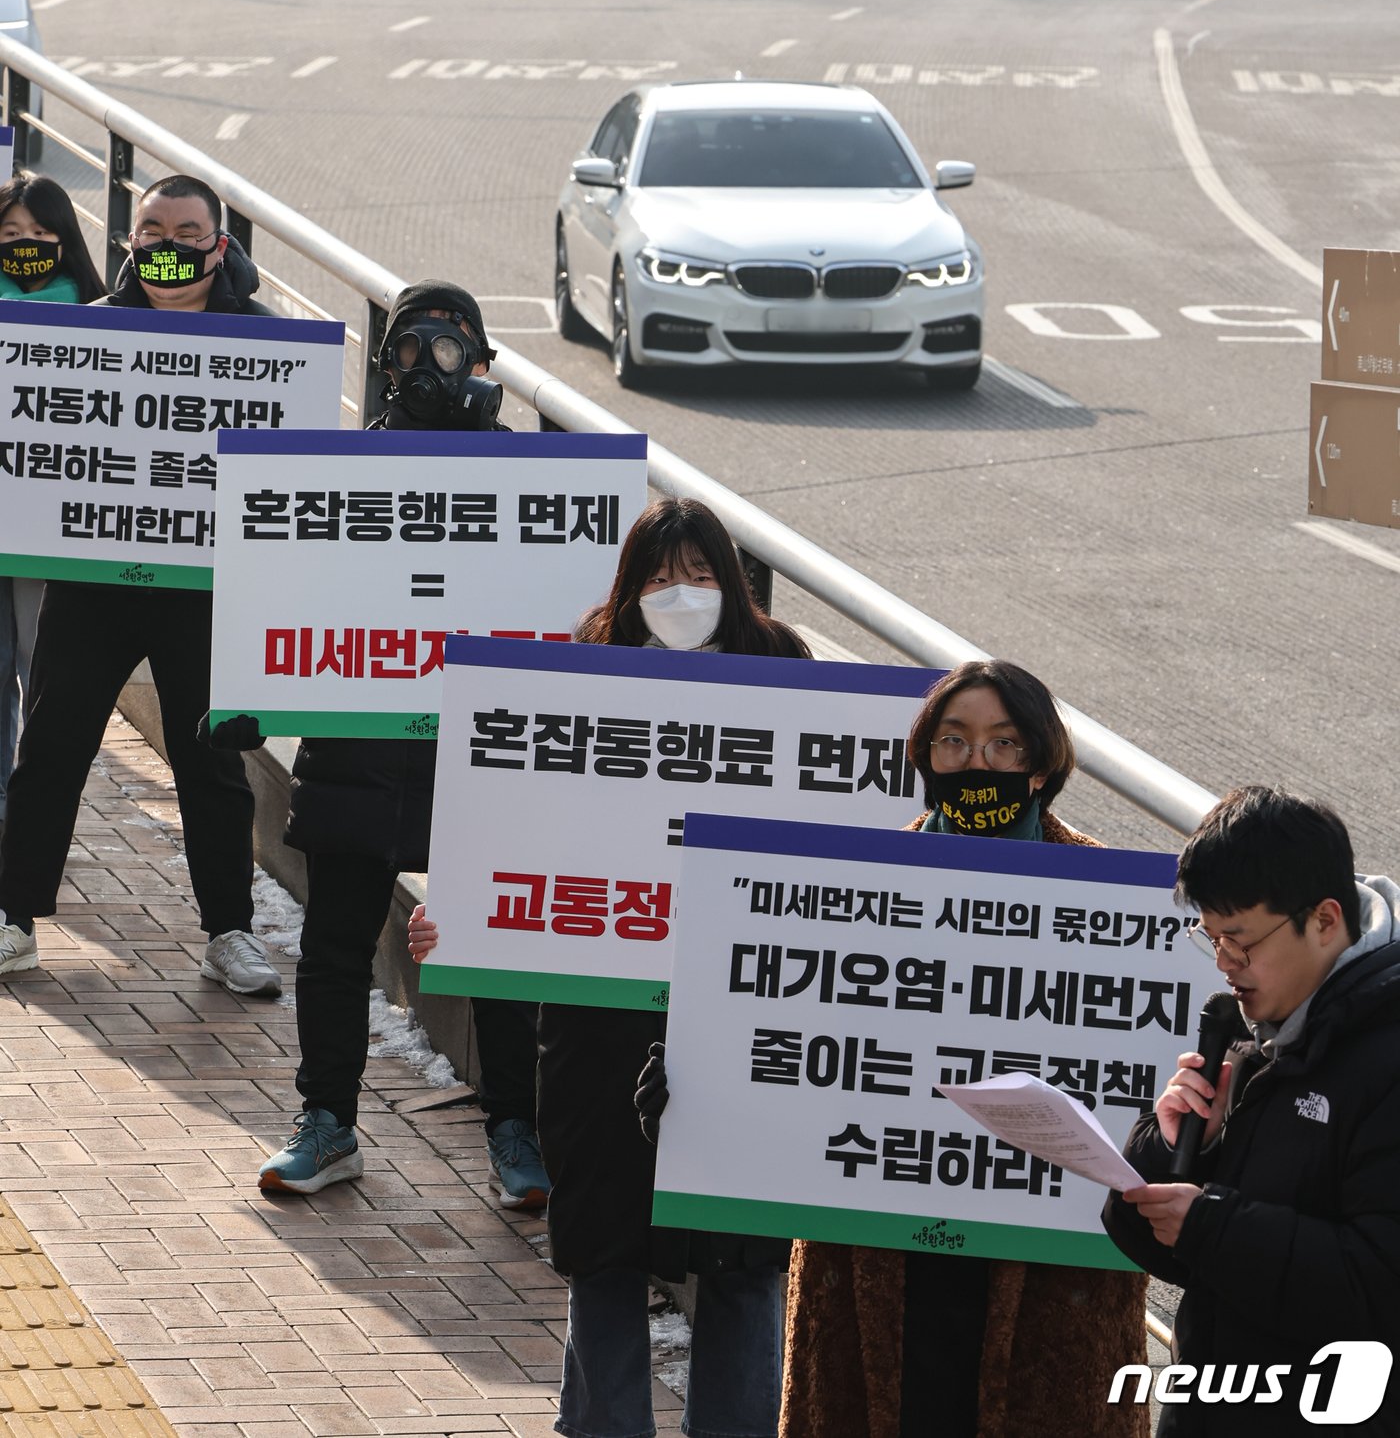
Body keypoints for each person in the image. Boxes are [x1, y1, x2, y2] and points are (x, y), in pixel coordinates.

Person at [410, 495, 807, 1438]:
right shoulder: (577, 678)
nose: (683, 595)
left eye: (703, 575)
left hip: (740, 1018)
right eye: (662, 577)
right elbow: (507, 835)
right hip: (596, 1014)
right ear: (630, 591)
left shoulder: (786, 674)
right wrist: (458, 918)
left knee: (744, 1259)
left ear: (737, 587)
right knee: (603, 1247)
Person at [212, 281, 546, 1206]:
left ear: (483, 363)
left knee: (501, 952)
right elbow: (287, 596)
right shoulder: (340, 472)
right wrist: (248, 693)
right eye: (412, 348)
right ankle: (327, 1120)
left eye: (452, 348)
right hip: (356, 750)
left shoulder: (532, 483)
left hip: (481, 760)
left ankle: (516, 1124)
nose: (432, 364)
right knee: (333, 945)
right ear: (386, 361)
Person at [780, 660, 1150, 1438]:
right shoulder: (846, 888)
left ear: (1043, 763)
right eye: (954, 741)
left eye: (1002, 744)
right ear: (924, 757)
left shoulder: (1119, 902)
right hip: (882, 1244)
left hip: (1046, 1260)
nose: (976, 762)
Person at [0, 174, 279, 997]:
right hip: (94, 579)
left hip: (203, 585)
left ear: (219, 245)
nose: (168, 244)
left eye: (187, 231)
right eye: (151, 228)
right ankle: (14, 917)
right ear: (128, 242)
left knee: (215, 764)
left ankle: (230, 929)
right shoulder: (83, 334)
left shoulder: (267, 345)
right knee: (51, 745)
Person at [1102, 784, 1400, 1433]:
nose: (1224, 965)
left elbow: (1378, 1287)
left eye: (1240, 941)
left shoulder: (1386, 1058)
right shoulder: (1252, 1027)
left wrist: (1213, 1226)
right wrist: (1174, 1146)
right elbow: (1169, 1253)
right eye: (1210, 938)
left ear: (1324, 919)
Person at [0, 174, 106, 815]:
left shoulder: (103, 322)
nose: (26, 246)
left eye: (40, 233)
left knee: (42, 664)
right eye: (10, 235)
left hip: (51, 524)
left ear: (65, 239)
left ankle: (38, 801)